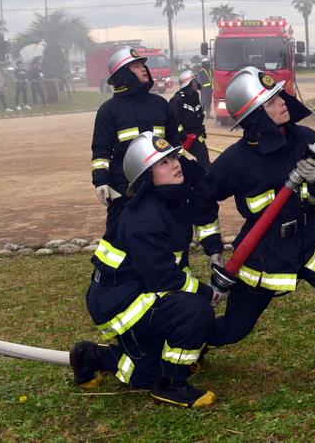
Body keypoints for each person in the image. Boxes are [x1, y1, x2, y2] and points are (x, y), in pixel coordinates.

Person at [193, 67, 315, 403]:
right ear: (255, 115)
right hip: (262, 249)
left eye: (279, 96)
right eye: (271, 101)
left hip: (308, 236)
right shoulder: (234, 161)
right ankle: (193, 343)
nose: (282, 102)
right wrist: (213, 248)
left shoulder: (306, 140)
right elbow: (202, 200)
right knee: (234, 328)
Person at [71, 131, 224, 408]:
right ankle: (171, 385)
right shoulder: (145, 217)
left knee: (143, 373)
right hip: (118, 300)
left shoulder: (171, 202)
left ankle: (91, 356)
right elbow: (163, 278)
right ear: (146, 175)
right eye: (164, 162)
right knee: (196, 311)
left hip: (135, 291)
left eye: (174, 157)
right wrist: (204, 292)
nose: (176, 164)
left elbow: (172, 264)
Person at [91, 47, 180, 236]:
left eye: (143, 65)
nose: (144, 69)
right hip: (123, 189)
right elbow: (101, 151)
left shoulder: (160, 104)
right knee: (118, 236)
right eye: (136, 66)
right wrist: (101, 181)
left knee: (166, 233)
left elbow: (173, 142)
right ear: (123, 74)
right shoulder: (109, 111)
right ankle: (108, 268)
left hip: (160, 186)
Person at [169, 69, 210, 168]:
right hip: (182, 138)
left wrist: (201, 130)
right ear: (188, 84)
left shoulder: (195, 96)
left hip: (195, 134)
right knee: (181, 161)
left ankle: (206, 175)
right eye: (194, 82)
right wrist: (182, 134)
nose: (196, 84)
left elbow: (197, 115)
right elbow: (173, 120)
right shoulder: (177, 99)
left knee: (204, 156)